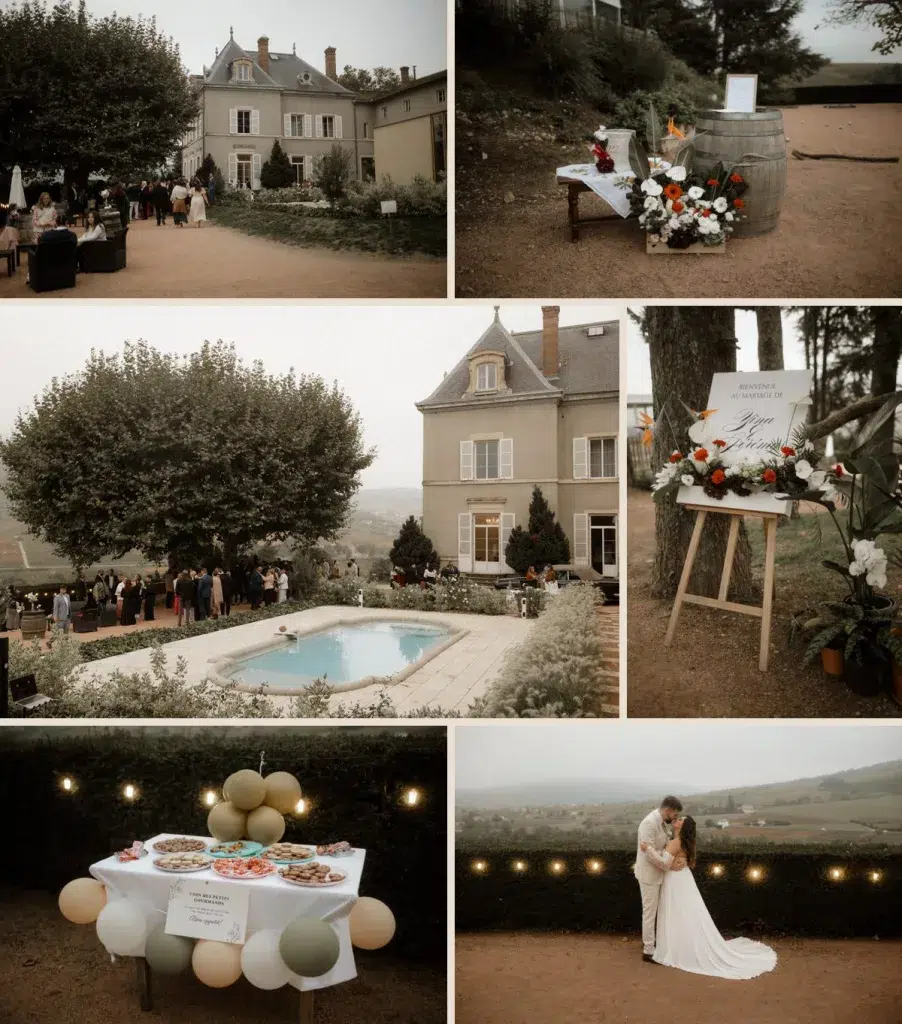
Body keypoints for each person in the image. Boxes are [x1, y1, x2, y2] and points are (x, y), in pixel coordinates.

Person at [638, 804, 777, 978]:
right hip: (683, 879)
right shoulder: (683, 842)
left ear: (684, 827)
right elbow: (679, 861)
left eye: (681, 820)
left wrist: (648, 850)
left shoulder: (675, 842)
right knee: (685, 912)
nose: (677, 819)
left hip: (674, 881)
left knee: (676, 912)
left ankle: (674, 946)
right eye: (678, 817)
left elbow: (665, 865)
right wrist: (679, 861)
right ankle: (681, 943)